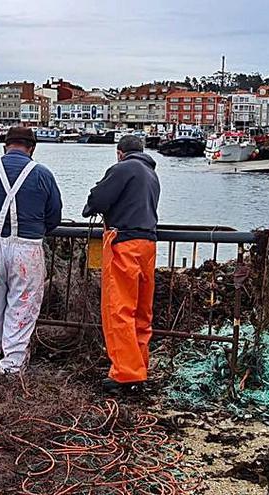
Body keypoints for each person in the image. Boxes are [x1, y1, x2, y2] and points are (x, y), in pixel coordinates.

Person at [0, 127, 62, 375]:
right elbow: (54, 217)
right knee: (22, 307)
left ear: (4, 146)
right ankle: (12, 366)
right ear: (32, 148)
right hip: (27, 248)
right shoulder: (43, 174)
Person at [83, 135, 160, 390]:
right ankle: (139, 366)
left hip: (124, 242)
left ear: (119, 153)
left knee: (119, 308)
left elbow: (98, 199)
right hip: (148, 244)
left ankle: (126, 374)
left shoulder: (123, 168)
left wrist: (90, 206)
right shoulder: (151, 173)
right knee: (141, 311)